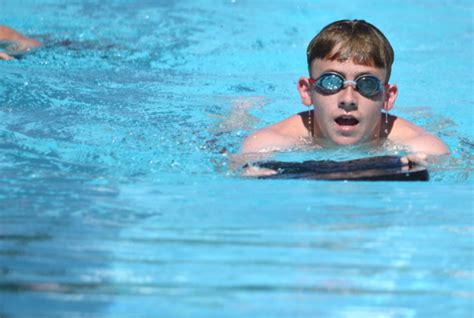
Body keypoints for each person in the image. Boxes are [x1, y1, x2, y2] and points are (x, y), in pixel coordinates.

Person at [240, 19, 448, 175]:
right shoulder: (266, 143)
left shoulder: (423, 147)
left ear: (388, 97)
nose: (348, 99)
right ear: (307, 91)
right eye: (331, 81)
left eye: (367, 84)